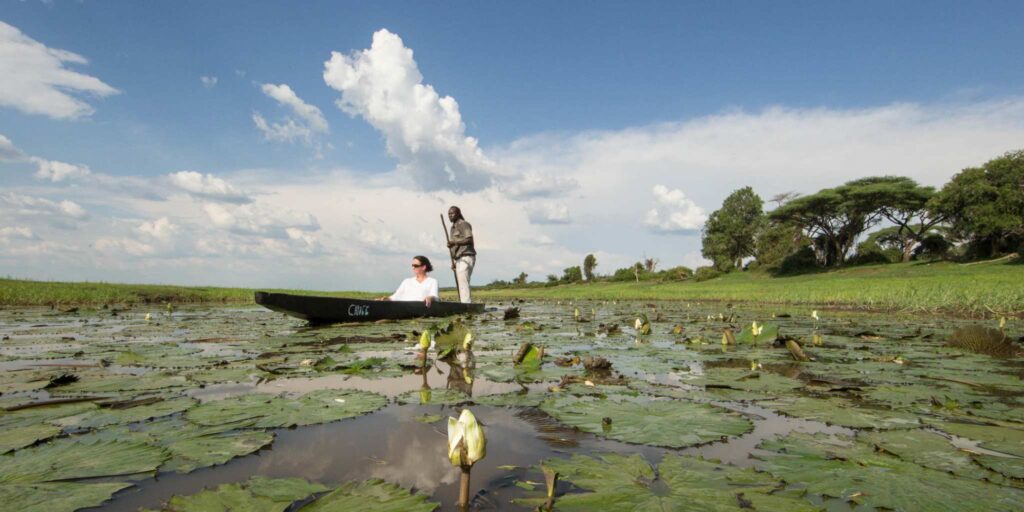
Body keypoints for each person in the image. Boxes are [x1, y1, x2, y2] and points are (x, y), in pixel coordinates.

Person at [447, 206, 476, 303]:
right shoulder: (453, 228)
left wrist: (454, 243)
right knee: (462, 282)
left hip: (466, 256)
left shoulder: (463, 224)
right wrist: (455, 261)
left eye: (452, 213)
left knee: (463, 283)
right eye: (449, 214)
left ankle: (466, 305)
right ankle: (465, 303)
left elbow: (469, 239)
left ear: (458, 213)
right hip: (459, 258)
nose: (450, 216)